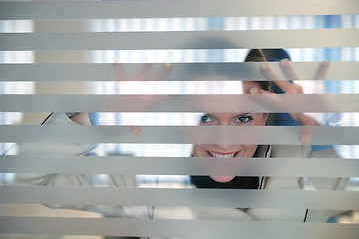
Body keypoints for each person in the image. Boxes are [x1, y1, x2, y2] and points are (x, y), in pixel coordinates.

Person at [1, 44, 353, 237]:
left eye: (243, 117)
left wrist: (340, 121)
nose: (224, 140)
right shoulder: (147, 179)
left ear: (264, 115)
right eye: (205, 118)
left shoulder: (310, 170)